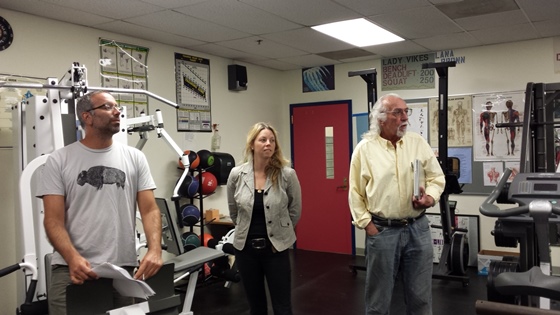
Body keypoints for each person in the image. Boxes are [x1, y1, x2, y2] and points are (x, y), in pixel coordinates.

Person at [37, 90, 163, 314]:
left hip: (122, 270)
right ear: (87, 116)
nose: (117, 112)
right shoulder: (60, 160)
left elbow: (150, 210)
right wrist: (72, 258)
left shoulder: (135, 158)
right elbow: (53, 220)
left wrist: (154, 250)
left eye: (117, 106)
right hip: (72, 269)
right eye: (107, 107)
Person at [348, 93, 445, 315]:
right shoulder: (365, 149)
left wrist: (429, 197)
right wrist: (368, 225)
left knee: (420, 297)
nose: (405, 118)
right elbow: (355, 193)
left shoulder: (417, 143)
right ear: (381, 118)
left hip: (417, 229)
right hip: (382, 231)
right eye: (398, 112)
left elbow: (436, 178)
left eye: (406, 111)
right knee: (378, 300)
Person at [226, 122, 302, 315]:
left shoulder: (287, 174)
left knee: (282, 305)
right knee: (256, 305)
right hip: (246, 250)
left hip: (275, 249)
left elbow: (295, 210)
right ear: (252, 144)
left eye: (272, 140)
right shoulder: (237, 174)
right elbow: (234, 211)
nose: (268, 143)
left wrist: (281, 231)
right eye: (263, 140)